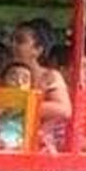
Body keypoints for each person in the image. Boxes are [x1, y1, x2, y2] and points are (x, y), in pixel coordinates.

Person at [10, 19, 72, 149]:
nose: (13, 46)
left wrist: (22, 106)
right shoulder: (7, 74)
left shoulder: (50, 76)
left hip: (43, 146)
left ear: (38, 50)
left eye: (20, 41)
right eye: (12, 41)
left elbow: (64, 110)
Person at [0, 62, 33, 150]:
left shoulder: (33, 110)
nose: (19, 83)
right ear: (2, 82)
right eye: (13, 78)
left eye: (25, 80)